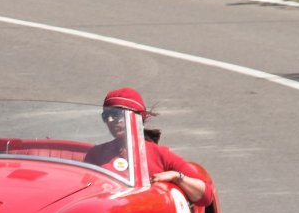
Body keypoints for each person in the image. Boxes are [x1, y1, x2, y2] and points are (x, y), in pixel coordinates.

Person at [84, 87, 213, 206]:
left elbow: (206, 195)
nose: (110, 120)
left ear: (137, 117)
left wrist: (176, 177)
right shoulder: (96, 154)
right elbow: (84, 194)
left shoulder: (159, 154)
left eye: (116, 114)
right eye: (106, 115)